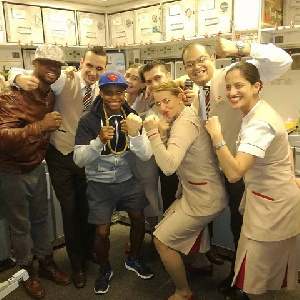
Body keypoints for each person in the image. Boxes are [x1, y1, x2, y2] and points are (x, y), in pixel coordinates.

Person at [179, 38, 293, 300]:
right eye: (189, 64)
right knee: (234, 223)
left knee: (243, 227)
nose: (196, 67)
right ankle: (230, 269)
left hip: (242, 168)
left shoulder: (232, 78)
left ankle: (240, 281)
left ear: (212, 58)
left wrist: (240, 49)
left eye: (201, 60)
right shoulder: (199, 95)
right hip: (221, 168)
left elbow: (283, 61)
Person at [8, 46, 107, 288]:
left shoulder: (100, 89)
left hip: (86, 156)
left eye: (99, 68)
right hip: (61, 155)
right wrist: (17, 77)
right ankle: (76, 266)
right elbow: (34, 74)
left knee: (87, 207)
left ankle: (86, 251)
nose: (93, 72)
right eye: (89, 66)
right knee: (71, 210)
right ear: (81, 62)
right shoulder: (64, 80)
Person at [205, 61, 300, 300]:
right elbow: (286, 150)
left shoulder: (259, 122)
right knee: (259, 271)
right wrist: (288, 175)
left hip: (272, 207)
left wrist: (216, 136)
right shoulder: (259, 110)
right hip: (270, 198)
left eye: (239, 85)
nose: (231, 92)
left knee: (253, 279)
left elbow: (235, 173)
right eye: (228, 87)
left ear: (257, 86)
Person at [143, 81, 227, 300]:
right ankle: (201, 263)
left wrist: (152, 133)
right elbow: (176, 153)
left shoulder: (184, 124)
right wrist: (161, 135)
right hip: (198, 192)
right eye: (158, 103)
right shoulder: (183, 117)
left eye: (167, 101)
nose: (162, 107)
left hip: (204, 197)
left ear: (181, 96)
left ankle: (183, 292)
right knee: (174, 221)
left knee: (161, 240)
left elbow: (169, 166)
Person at [73, 71, 154, 295]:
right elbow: (79, 160)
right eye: (108, 93)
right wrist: (98, 142)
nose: (114, 98)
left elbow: (146, 155)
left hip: (127, 179)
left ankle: (134, 259)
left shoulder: (133, 116)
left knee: (139, 218)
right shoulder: (88, 120)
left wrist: (136, 136)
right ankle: (104, 268)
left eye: (119, 92)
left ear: (124, 92)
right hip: (99, 183)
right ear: (102, 93)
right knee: (102, 232)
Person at [0, 44, 71, 299]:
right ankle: (26, 272)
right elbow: (3, 137)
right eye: (47, 63)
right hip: (11, 171)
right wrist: (41, 126)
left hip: (36, 166)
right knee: (20, 227)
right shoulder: (11, 95)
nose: (53, 69)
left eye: (58, 65)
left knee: (42, 220)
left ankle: (47, 263)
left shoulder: (49, 94)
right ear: (35, 64)